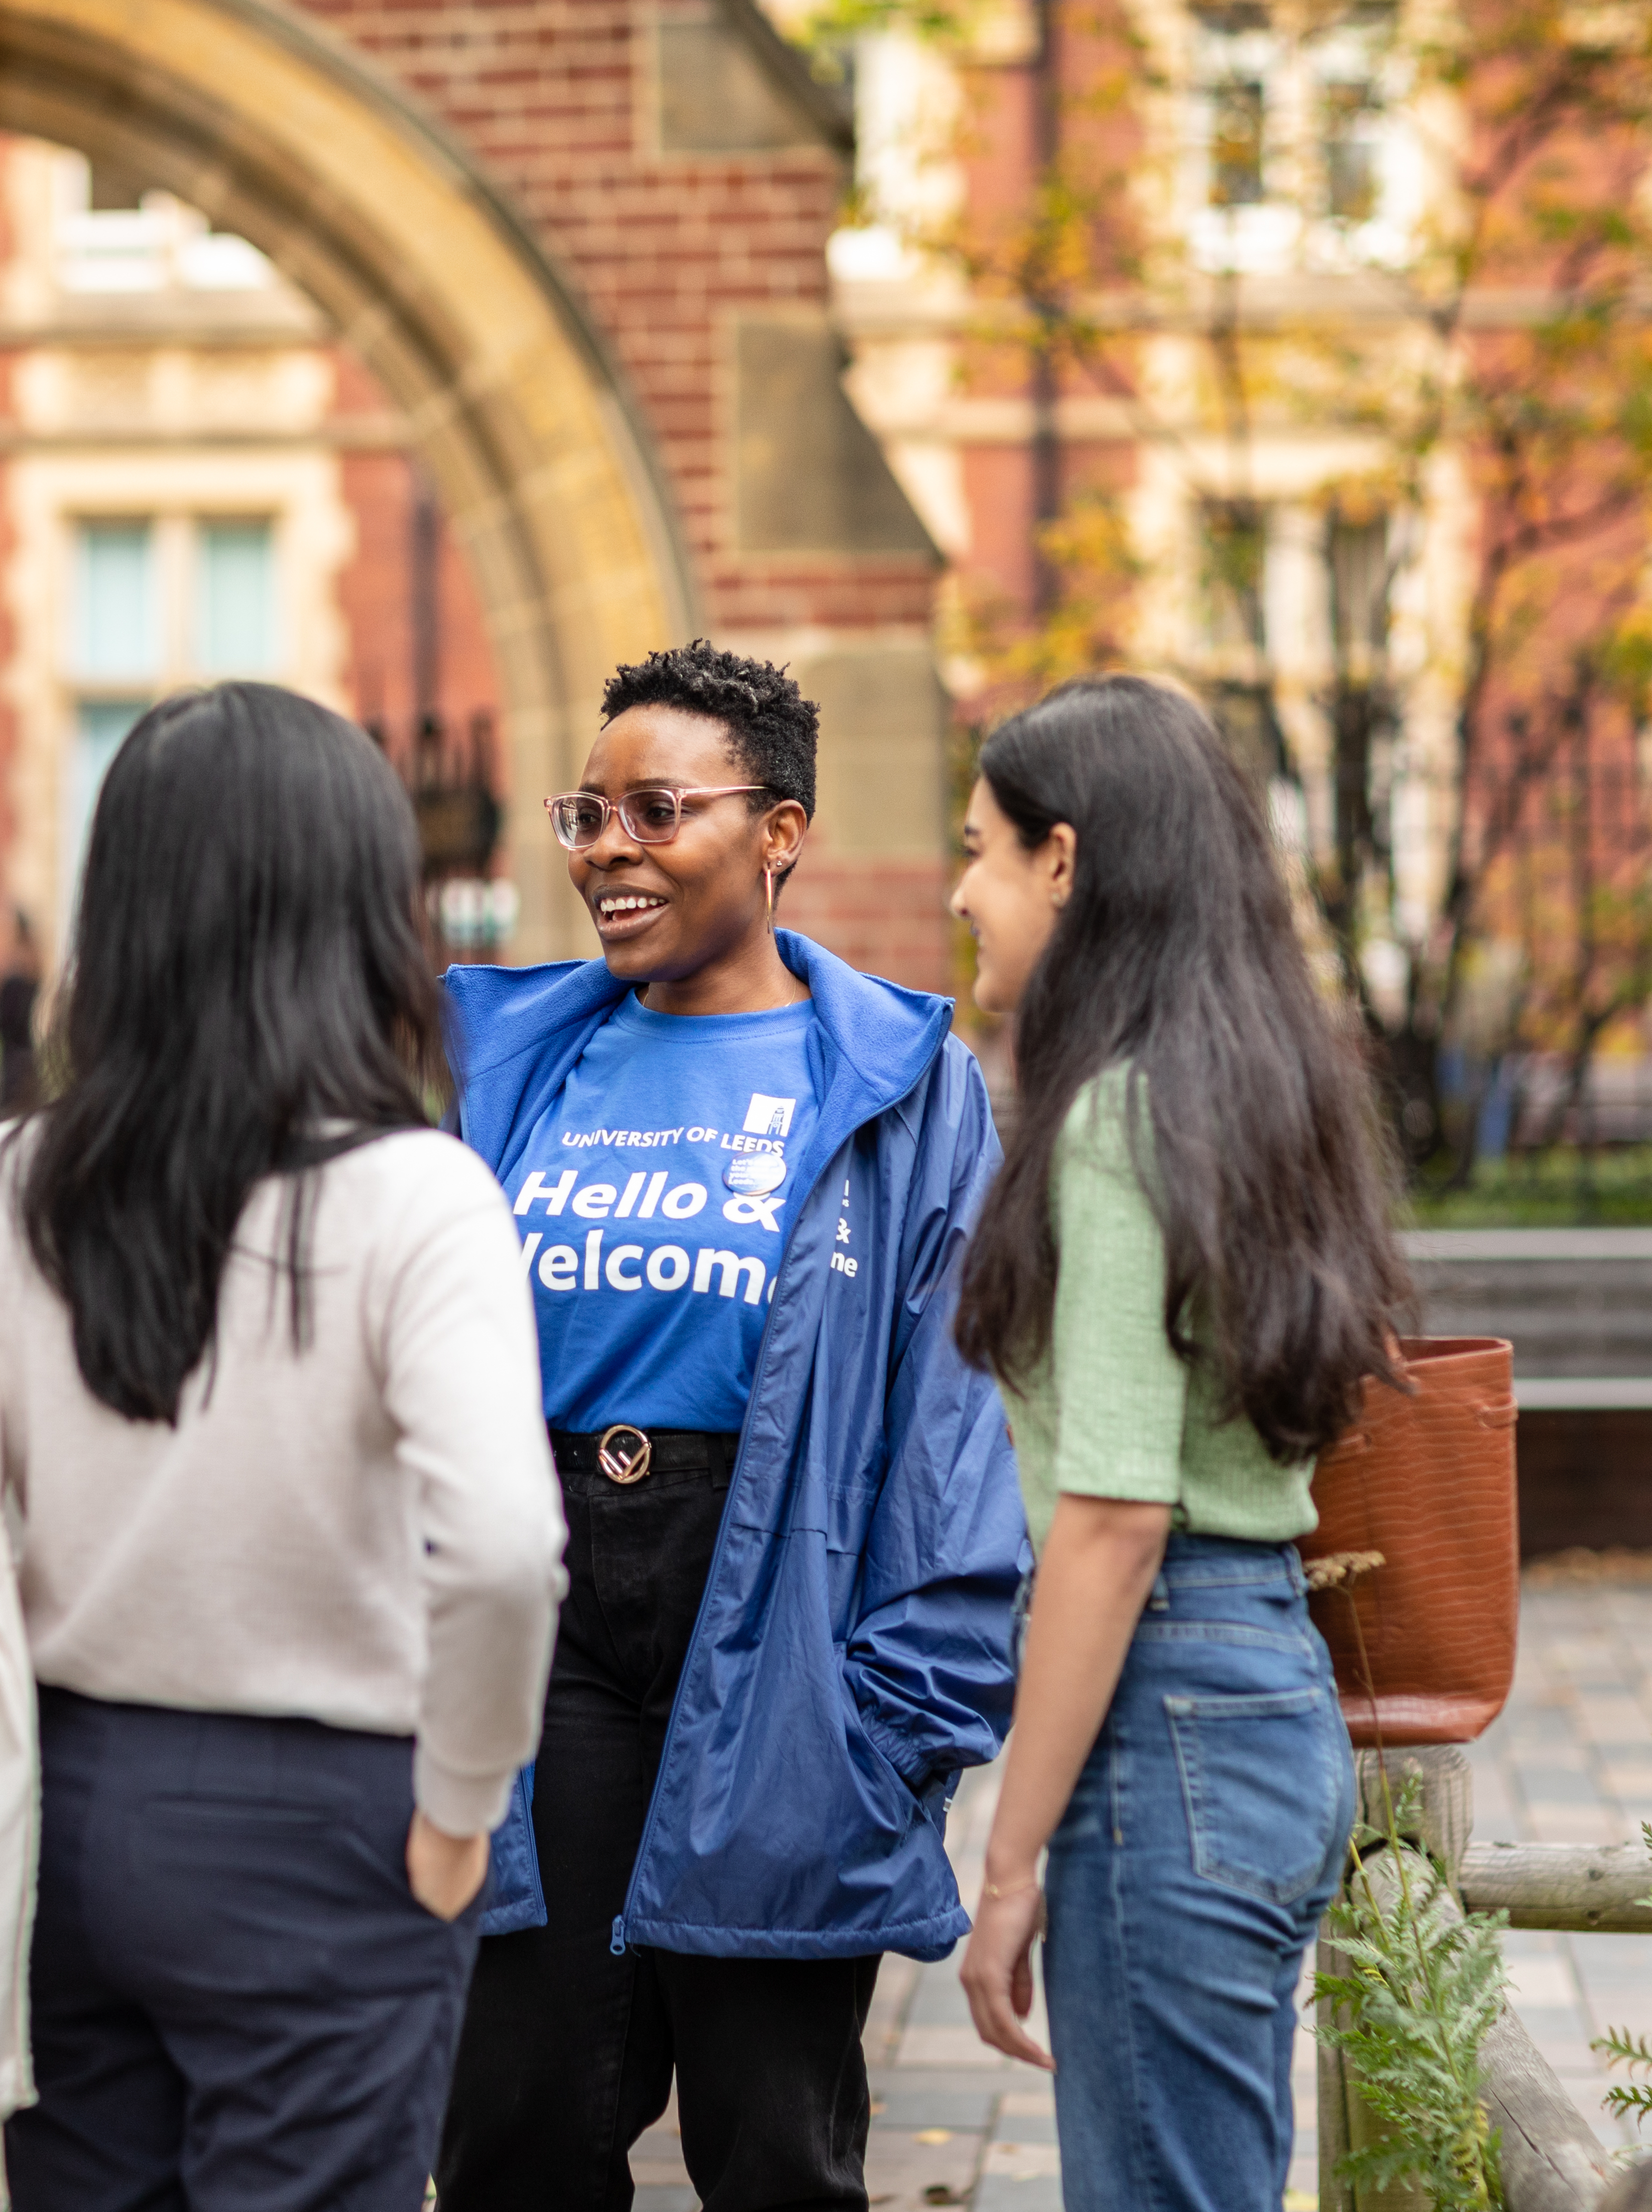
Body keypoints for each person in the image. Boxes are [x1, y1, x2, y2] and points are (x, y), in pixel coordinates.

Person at [0, 682, 567, 2212]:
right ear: (357, 907)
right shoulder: (414, 1199)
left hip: (63, 1803)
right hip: (331, 1819)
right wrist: (462, 1807)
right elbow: (503, 1547)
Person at [434, 640, 1029, 2212]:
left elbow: (949, 1422)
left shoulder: (903, 1084)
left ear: (780, 831)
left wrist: (895, 1726)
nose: (608, 851)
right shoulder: (491, 1061)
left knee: (775, 2152)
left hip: (776, 1630)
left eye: (655, 809)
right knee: (514, 2133)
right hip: (541, 1620)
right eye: (587, 814)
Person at [945, 674, 1411, 2210]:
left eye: (981, 853)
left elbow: (1113, 1520)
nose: (963, 894)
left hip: (1164, 1719)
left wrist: (1005, 1861)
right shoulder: (1265, 1095)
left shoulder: (1112, 1122)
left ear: (1065, 863)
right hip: (1268, 1706)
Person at [0, 904, 44, 1117]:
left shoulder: (18, 973)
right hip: (19, 1055)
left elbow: (9, 1020)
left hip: (17, 1057)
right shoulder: (29, 965)